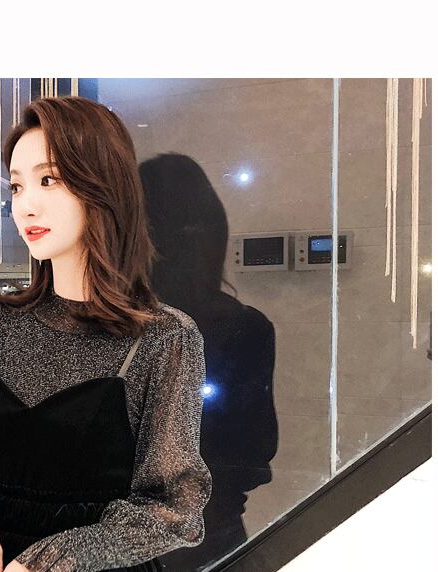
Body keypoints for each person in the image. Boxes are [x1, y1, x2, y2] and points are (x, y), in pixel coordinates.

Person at [0, 97, 212, 572]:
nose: (26, 205)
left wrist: (56, 561)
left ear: (102, 186)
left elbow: (172, 506)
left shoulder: (163, 338)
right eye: (17, 186)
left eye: (48, 180)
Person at [140, 153, 278, 570]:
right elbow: (254, 452)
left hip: (115, 540)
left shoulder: (110, 325)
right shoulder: (243, 328)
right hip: (211, 537)